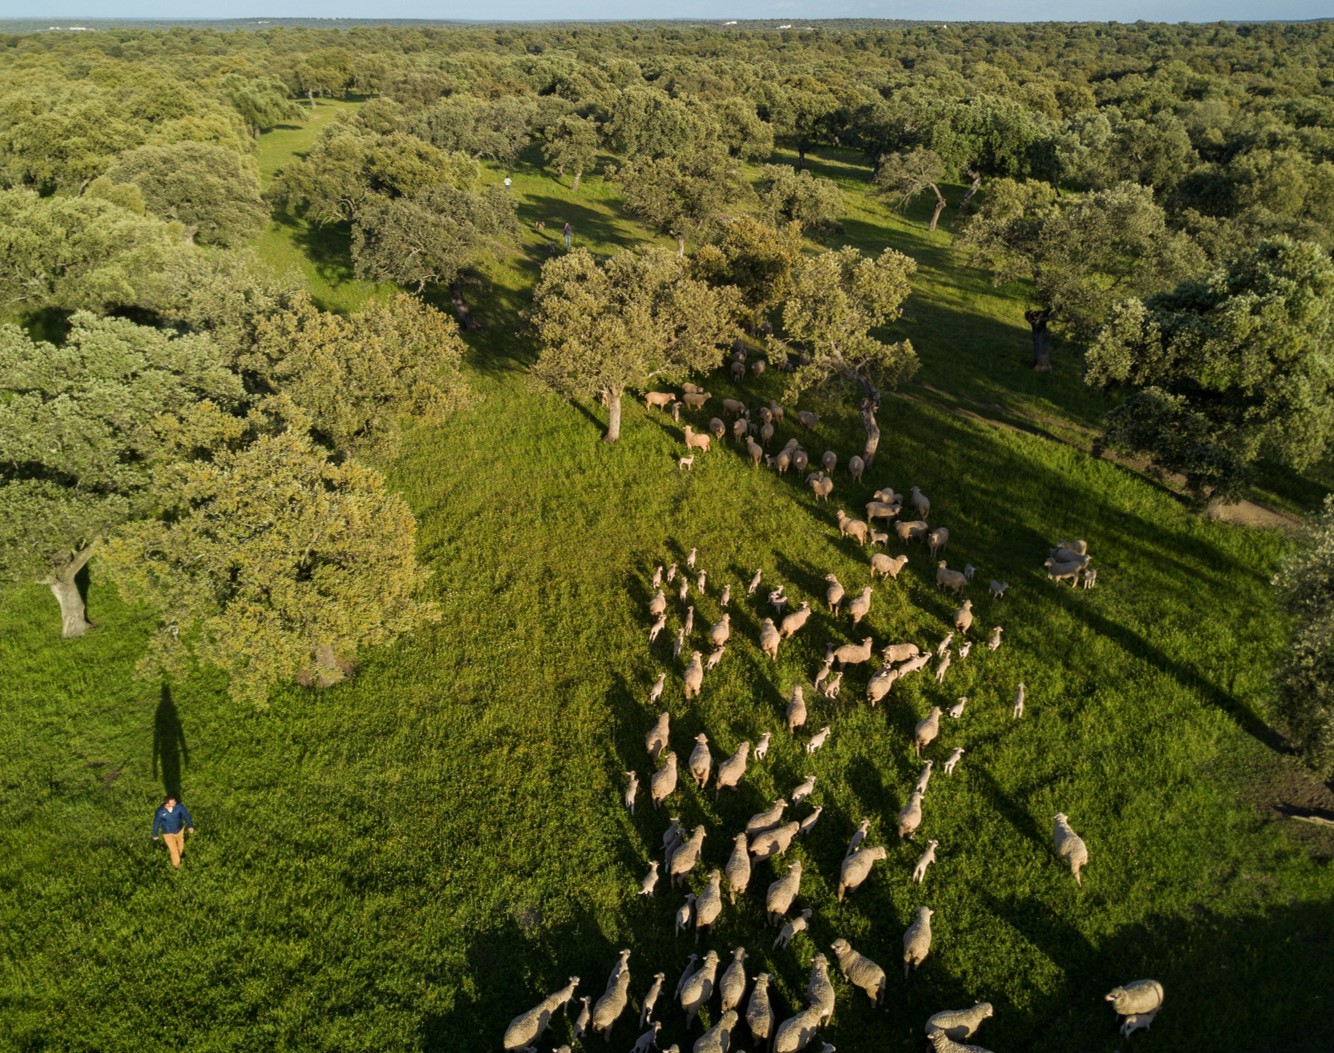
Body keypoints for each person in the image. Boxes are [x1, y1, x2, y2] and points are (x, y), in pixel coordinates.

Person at [151, 796, 195, 869]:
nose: (175, 802)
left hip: (179, 830)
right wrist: (154, 834)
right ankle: (177, 866)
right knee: (173, 850)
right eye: (173, 802)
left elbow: (186, 815)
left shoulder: (179, 806)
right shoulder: (160, 811)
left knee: (181, 843)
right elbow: (156, 822)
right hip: (168, 833)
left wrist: (190, 826)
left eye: (174, 800)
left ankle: (181, 854)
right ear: (167, 804)